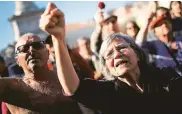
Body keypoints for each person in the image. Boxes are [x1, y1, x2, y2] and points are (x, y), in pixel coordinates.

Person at [40, 2, 182, 114]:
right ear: (107, 66)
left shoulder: (165, 77)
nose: (116, 54)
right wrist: (58, 38)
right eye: (109, 54)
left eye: (121, 48)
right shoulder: (108, 93)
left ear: (137, 54)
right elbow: (73, 88)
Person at [0, 33, 83, 114]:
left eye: (37, 45)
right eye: (24, 48)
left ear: (47, 53)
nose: (32, 50)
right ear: (17, 60)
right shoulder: (10, 88)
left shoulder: (68, 79)